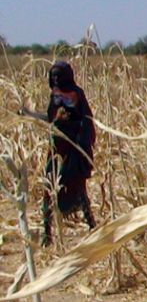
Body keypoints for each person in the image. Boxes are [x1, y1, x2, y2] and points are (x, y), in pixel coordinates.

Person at [35, 61, 97, 245]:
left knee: (78, 188)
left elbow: (84, 120)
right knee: (49, 187)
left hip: (73, 147)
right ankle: (47, 234)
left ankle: (92, 226)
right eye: (52, 75)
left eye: (58, 75)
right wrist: (30, 114)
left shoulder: (76, 94)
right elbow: (51, 118)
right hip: (56, 148)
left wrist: (81, 143)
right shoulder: (55, 94)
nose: (55, 78)